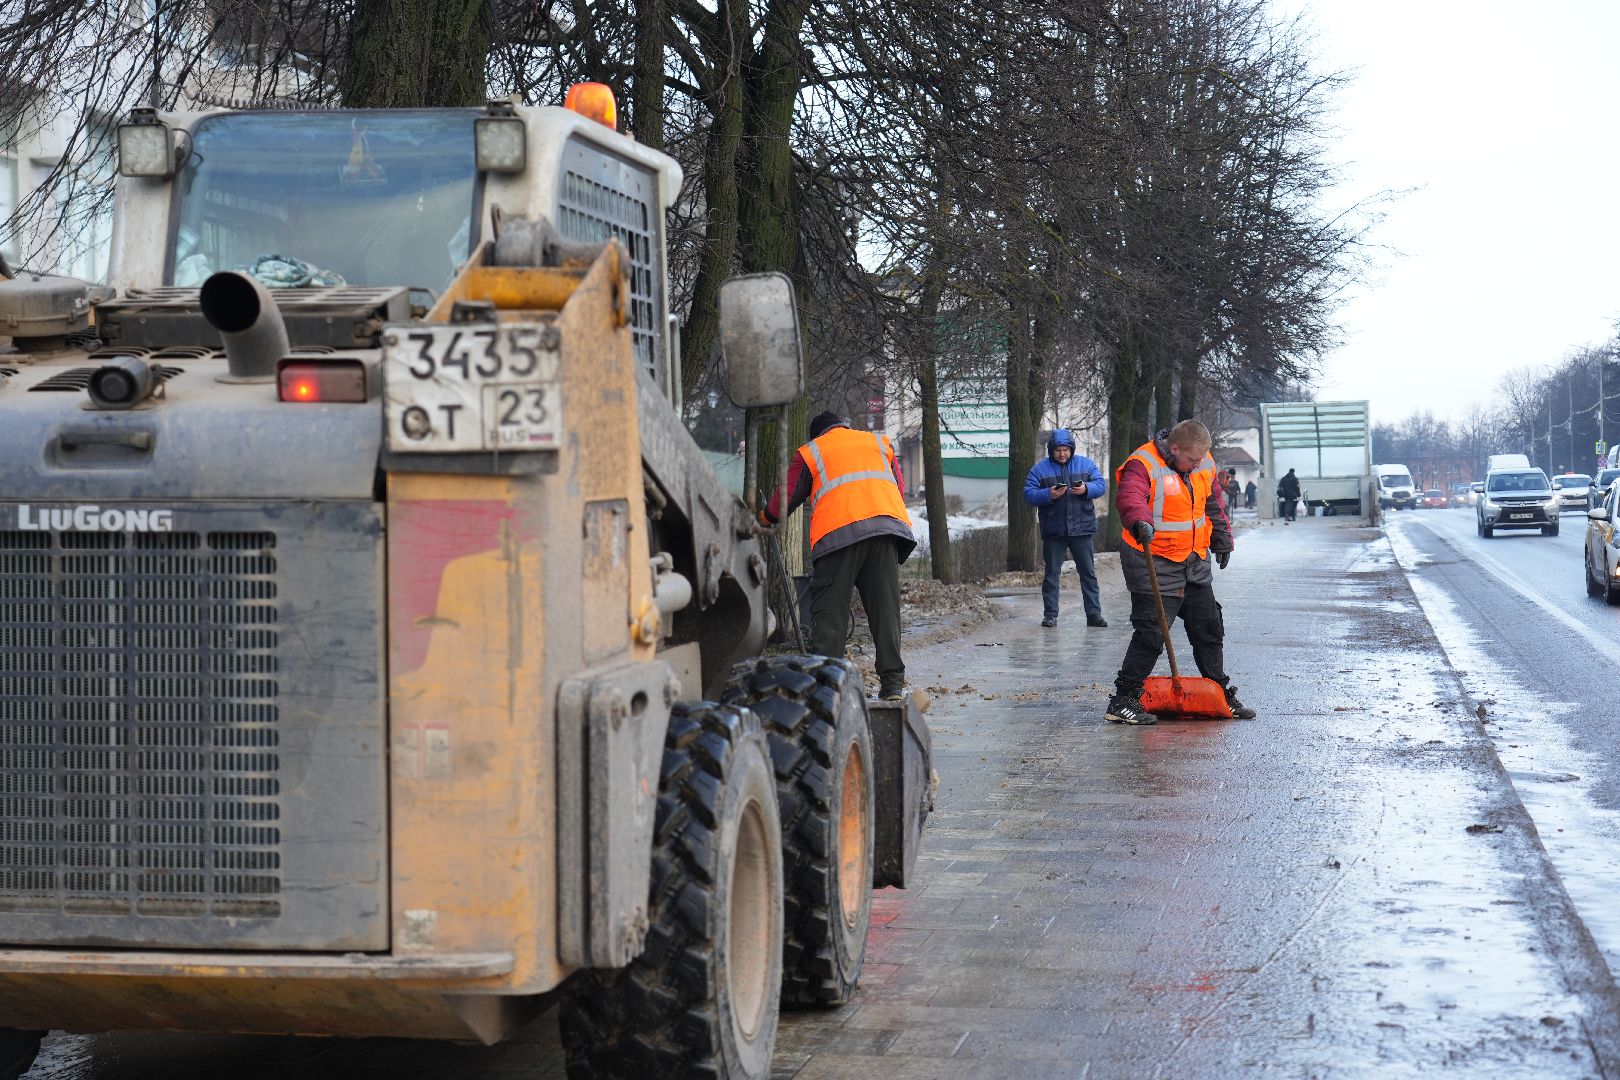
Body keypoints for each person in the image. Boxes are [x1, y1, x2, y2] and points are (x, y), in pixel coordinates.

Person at [1102, 419, 1256, 726]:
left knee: (1209, 627)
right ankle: (1123, 700)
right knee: (1151, 633)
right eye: (1192, 459)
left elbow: (1213, 503)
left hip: (1194, 561)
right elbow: (1130, 497)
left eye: (1202, 458)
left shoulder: (1204, 463)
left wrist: (1222, 538)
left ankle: (1220, 691)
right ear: (1174, 448)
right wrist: (1139, 521)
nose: (1198, 464)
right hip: (1153, 561)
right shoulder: (1142, 463)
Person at [763, 411, 916, 699]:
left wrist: (764, 518)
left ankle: (827, 688)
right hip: (885, 531)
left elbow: (784, 500)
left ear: (818, 434)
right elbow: (898, 487)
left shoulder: (811, 452)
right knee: (886, 612)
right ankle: (893, 684)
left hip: (837, 537)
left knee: (829, 615)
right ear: (844, 426)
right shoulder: (878, 442)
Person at [1022, 428, 1108, 629]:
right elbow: (1028, 494)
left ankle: (1094, 614)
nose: (1062, 453)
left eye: (1066, 450)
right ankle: (1050, 615)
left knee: (1088, 573)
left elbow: (1101, 485)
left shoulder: (1085, 464)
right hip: (1054, 530)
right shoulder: (1039, 469)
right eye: (1058, 450)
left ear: (1071, 450)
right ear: (1051, 450)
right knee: (1052, 574)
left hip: (1082, 529)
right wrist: (1048, 494)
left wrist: (1086, 489)